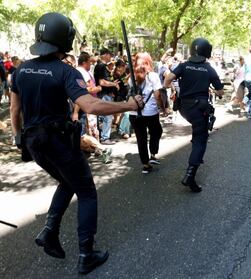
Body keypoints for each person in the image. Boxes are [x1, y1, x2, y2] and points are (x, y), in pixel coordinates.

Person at [9, 12, 143, 274]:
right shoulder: (65, 72)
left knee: (68, 182)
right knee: (87, 192)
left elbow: (15, 110)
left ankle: (49, 231)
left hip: (33, 143)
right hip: (58, 142)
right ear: (65, 38)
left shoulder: (22, 69)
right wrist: (128, 104)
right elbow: (90, 105)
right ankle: (86, 253)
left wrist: (17, 137)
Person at [164, 38, 224, 192]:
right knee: (200, 141)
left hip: (184, 108)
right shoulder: (209, 69)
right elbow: (220, 91)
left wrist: (170, 86)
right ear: (207, 52)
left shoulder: (184, 66)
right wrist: (215, 89)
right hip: (199, 109)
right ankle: (190, 176)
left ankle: (191, 170)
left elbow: (168, 79)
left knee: (197, 131)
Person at [129, 53, 167, 174]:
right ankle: (153, 154)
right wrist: (163, 108)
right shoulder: (153, 76)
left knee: (141, 138)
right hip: (150, 113)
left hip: (134, 113)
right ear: (148, 62)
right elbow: (157, 95)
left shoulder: (131, 77)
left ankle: (146, 165)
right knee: (157, 131)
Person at [94, 48, 120, 144]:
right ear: (105, 55)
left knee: (105, 116)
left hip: (106, 94)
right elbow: (102, 82)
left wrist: (112, 84)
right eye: (110, 55)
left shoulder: (102, 66)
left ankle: (103, 135)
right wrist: (113, 84)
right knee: (108, 116)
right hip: (104, 95)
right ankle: (105, 138)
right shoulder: (101, 66)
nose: (111, 57)